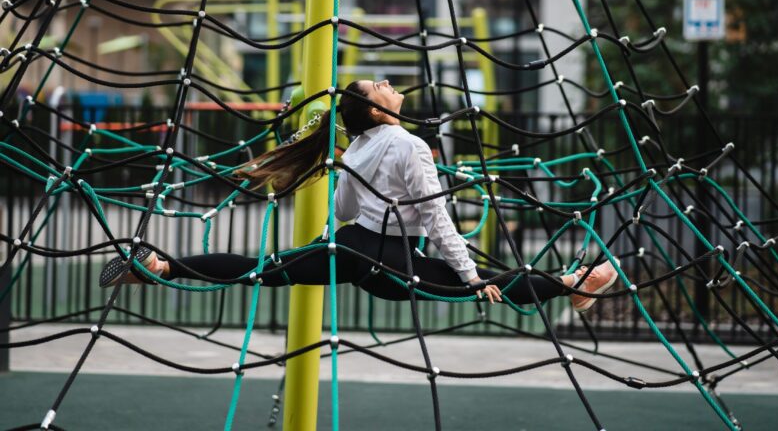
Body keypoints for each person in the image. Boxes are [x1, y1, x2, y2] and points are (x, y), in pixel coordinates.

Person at [99, 79, 618, 310]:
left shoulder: (360, 148)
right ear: (376, 110)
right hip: (387, 259)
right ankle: (573, 284)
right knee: (477, 285)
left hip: (351, 247)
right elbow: (437, 217)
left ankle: (162, 266)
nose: (389, 84)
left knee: (264, 270)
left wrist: (330, 238)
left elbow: (344, 209)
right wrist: (469, 272)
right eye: (380, 86)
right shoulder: (408, 143)